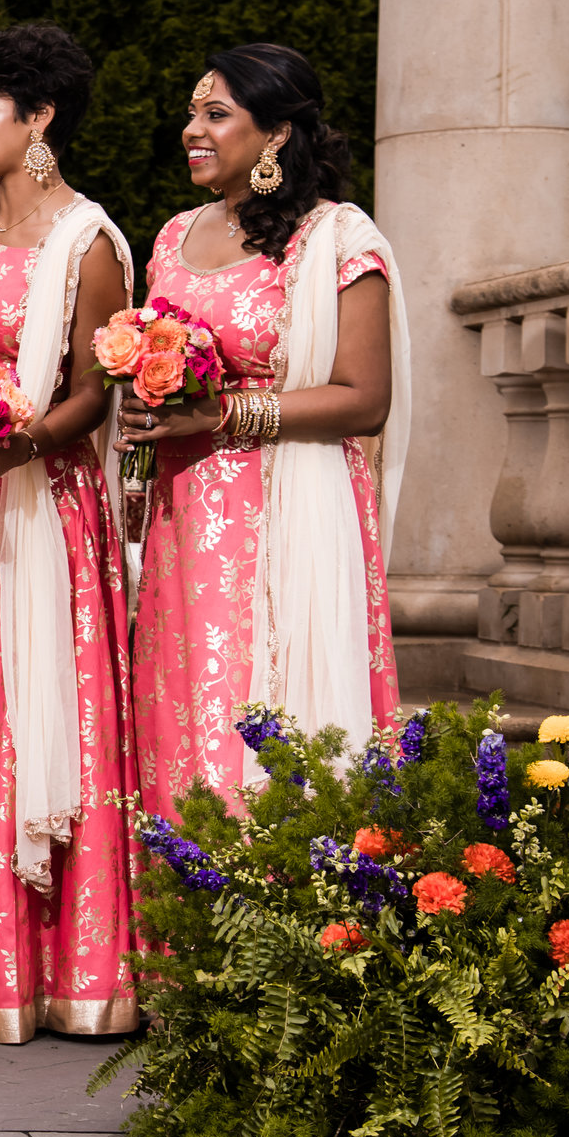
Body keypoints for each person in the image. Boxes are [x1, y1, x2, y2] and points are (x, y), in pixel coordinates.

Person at [121, 45, 405, 810]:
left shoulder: (337, 240)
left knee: (266, 716)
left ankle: (283, 908)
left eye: (216, 114)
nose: (192, 129)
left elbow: (364, 397)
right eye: (191, 112)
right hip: (183, 518)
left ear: (276, 132)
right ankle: (186, 914)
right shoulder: (174, 236)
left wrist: (226, 415)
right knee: (184, 710)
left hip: (286, 510)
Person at [0, 24, 140, 1042]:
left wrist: (19, 444)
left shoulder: (89, 240)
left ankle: (64, 964)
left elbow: (96, 391)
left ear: (40, 116)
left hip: (43, 506)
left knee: (33, 713)